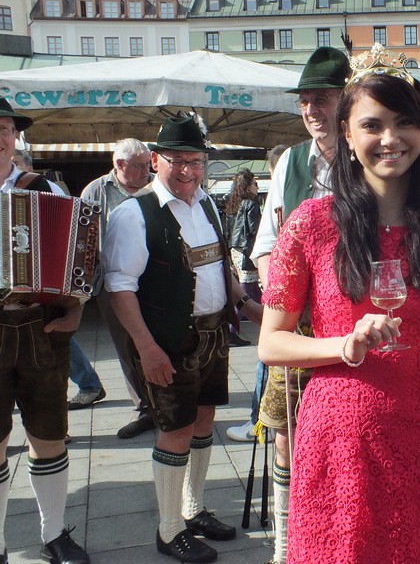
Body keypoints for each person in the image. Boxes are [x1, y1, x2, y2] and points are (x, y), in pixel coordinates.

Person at [257, 44, 420, 563]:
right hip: (337, 434)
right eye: (372, 125)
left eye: (404, 122)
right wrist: (344, 344)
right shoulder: (311, 224)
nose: (390, 139)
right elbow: (270, 343)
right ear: (348, 137)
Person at [103, 116, 263, 563]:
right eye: (177, 161)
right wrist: (147, 348)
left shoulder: (208, 205)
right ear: (156, 161)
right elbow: (119, 287)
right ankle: (169, 530)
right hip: (168, 342)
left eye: (196, 161)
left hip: (213, 335)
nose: (188, 170)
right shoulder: (133, 214)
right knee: (173, 431)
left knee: (204, 420)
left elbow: (218, 267)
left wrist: (245, 305)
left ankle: (192, 510)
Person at [248, 46, 351, 564]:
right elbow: (265, 246)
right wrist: (285, 295)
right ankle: (288, 548)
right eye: (305, 100)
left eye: (322, 99)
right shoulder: (290, 161)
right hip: (296, 328)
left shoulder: (369, 157)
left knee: (348, 440)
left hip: (354, 323)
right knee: (286, 435)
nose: (311, 109)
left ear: (347, 101)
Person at [0, 98, 91, 564]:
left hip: (40, 327)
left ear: (15, 137)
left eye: (5, 128)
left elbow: (80, 254)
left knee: (48, 434)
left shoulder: (44, 191)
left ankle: (54, 533)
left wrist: (76, 308)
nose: (0, 136)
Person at [81, 138, 157, 439]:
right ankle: (143, 408)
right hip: (113, 284)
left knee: (158, 339)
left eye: (147, 165)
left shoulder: (155, 187)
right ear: (119, 165)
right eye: (139, 166)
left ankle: (166, 402)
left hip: (154, 280)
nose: (145, 172)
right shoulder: (96, 190)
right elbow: (84, 240)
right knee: (127, 346)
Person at [227, 144, 288, 443]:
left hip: (267, 274)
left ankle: (258, 422)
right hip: (268, 275)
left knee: (269, 356)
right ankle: (260, 422)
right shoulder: (262, 202)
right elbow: (262, 240)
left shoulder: (254, 201)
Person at [225, 169, 262, 347]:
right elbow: (254, 230)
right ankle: (232, 330)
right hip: (247, 249)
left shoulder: (234, 203)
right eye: (255, 183)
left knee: (253, 291)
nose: (257, 186)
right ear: (248, 185)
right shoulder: (251, 203)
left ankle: (267, 322)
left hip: (235, 249)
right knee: (246, 291)